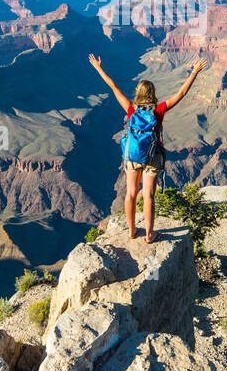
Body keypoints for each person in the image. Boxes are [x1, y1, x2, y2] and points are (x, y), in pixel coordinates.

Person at [88, 53, 208, 242]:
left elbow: (113, 86)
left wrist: (98, 67)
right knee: (149, 196)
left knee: (130, 193)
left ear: (139, 93)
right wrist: (194, 72)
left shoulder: (130, 108)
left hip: (133, 155)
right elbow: (181, 94)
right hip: (153, 156)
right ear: (152, 93)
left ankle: (132, 231)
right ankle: (150, 234)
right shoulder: (159, 110)